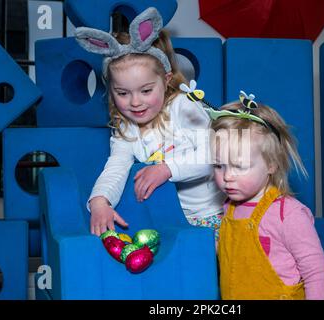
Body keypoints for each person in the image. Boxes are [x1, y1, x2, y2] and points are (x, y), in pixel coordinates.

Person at [75, 7, 225, 237]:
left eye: (146, 90)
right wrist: (99, 200)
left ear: (165, 81)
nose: (135, 102)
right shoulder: (126, 126)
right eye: (123, 93)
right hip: (167, 217)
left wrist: (167, 169)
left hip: (210, 214)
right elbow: (117, 166)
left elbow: (212, 156)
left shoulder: (184, 106)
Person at [209, 92, 324, 300]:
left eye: (240, 166)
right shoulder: (227, 208)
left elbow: (315, 273)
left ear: (271, 164)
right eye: (219, 165)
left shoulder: (288, 214)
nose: (227, 176)